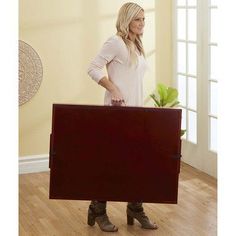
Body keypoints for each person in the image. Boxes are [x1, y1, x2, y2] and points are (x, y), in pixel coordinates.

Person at [87, 2, 158, 232]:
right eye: (138, 19)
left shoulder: (136, 45)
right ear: (126, 19)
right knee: (111, 163)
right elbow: (93, 68)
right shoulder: (115, 42)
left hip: (136, 113)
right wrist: (113, 88)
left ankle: (135, 208)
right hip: (117, 114)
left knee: (136, 162)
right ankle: (97, 209)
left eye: (144, 19)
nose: (142, 23)